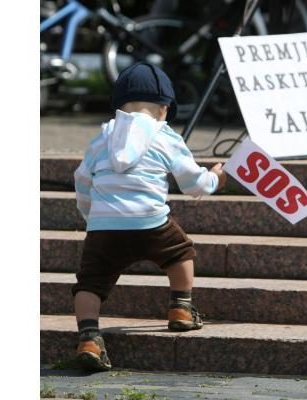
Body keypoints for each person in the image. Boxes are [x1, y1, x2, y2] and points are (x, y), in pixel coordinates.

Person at [71, 62, 227, 372]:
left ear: (118, 108)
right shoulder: (165, 135)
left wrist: (92, 217)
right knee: (180, 251)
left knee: (90, 283)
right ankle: (181, 308)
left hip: (104, 228)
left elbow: (82, 179)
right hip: (151, 222)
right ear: (164, 108)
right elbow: (191, 183)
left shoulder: (103, 137)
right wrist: (215, 179)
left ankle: (88, 338)